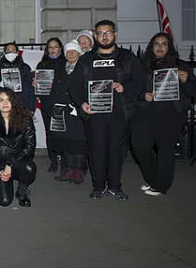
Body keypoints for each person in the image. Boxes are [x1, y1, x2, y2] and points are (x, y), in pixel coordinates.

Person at [69, 19, 146, 201]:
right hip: (94, 114)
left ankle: (114, 186)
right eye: (101, 33)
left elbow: (141, 82)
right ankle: (98, 186)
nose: (104, 36)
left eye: (108, 32)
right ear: (95, 36)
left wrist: (124, 87)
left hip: (120, 113)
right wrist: (82, 103)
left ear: (115, 34)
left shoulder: (128, 58)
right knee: (97, 149)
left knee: (116, 151)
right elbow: (75, 85)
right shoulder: (86, 60)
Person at [132, 33, 196, 196]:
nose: (160, 47)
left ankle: (162, 186)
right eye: (157, 43)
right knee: (140, 146)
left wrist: (186, 80)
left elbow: (192, 91)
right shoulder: (141, 65)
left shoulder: (181, 65)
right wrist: (143, 95)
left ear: (169, 47)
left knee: (165, 149)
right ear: (151, 46)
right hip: (146, 111)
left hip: (172, 113)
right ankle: (153, 180)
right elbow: (133, 89)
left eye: (164, 44)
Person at [0, 88, 37, 207]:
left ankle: (22, 189)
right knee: (5, 201)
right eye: (1, 100)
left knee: (30, 168)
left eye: (8, 100)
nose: (5, 103)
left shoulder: (26, 120)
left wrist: (10, 165)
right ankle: (5, 179)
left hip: (18, 162)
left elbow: (29, 147)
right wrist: (0, 169)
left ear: (14, 102)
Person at [46, 41, 89, 184]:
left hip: (78, 110)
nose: (70, 54)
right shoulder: (60, 68)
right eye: (68, 52)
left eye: (73, 51)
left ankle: (78, 170)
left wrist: (80, 106)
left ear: (79, 53)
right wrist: (52, 105)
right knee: (65, 141)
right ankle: (69, 169)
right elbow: (54, 87)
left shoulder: (85, 68)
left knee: (79, 141)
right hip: (62, 110)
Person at [34, 37, 65, 173]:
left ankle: (64, 161)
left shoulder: (66, 63)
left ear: (60, 48)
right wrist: (36, 85)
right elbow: (39, 85)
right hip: (47, 102)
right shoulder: (42, 64)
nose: (53, 50)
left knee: (63, 133)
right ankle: (53, 161)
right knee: (49, 133)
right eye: (50, 47)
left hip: (62, 103)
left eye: (55, 47)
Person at [0, 42, 36, 112]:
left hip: (22, 107)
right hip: (3, 107)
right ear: (4, 53)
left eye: (13, 50)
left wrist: (32, 108)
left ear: (17, 53)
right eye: (8, 50)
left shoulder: (25, 68)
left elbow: (31, 90)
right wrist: (1, 88)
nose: (10, 52)